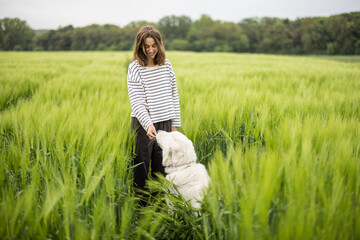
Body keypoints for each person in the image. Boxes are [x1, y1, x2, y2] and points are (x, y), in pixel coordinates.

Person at [127, 25, 181, 204]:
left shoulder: (166, 65)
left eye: (154, 46)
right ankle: (141, 208)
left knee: (162, 168)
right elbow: (137, 101)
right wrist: (148, 124)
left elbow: (174, 94)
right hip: (143, 126)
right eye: (146, 46)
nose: (150, 50)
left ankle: (159, 207)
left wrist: (174, 125)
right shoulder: (135, 68)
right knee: (141, 167)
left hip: (165, 123)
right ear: (140, 46)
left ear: (159, 45)